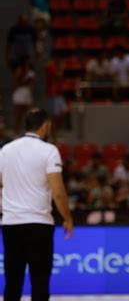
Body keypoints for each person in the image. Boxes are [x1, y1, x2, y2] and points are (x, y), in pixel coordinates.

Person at [0, 108, 73, 301]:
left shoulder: (6, 150)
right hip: (39, 224)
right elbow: (58, 191)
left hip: (11, 224)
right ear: (46, 125)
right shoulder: (49, 151)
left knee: (12, 282)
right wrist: (67, 218)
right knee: (40, 282)